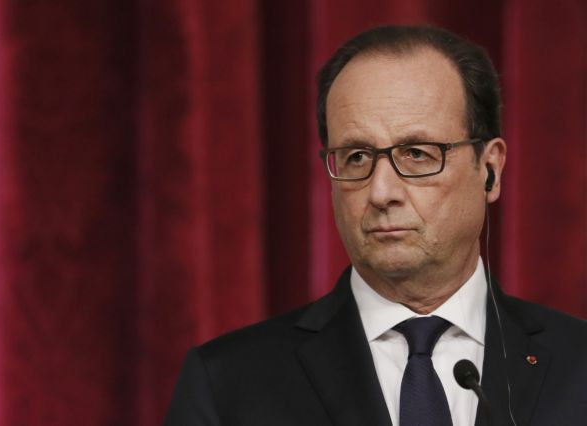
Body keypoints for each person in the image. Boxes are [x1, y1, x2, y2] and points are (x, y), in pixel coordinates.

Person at [164, 25, 587, 426]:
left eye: (417, 153)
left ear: (489, 171)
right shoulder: (227, 384)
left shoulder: (578, 365)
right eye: (356, 157)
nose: (381, 192)